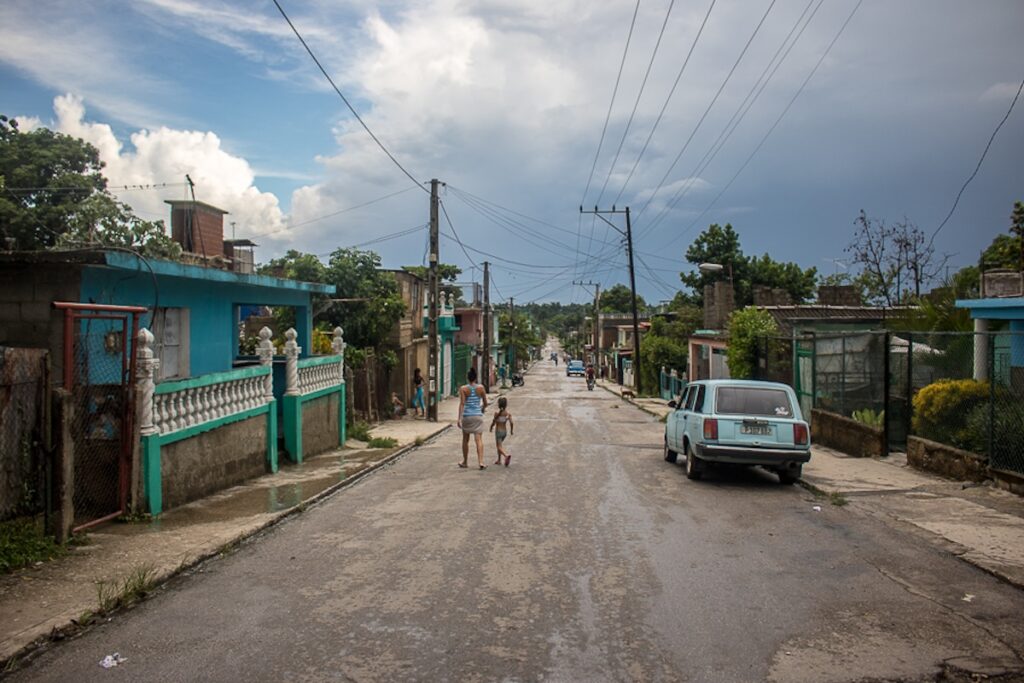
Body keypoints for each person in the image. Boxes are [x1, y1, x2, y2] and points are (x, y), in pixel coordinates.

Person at [457, 367, 489, 469]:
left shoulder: (463, 389)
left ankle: (465, 461)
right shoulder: (481, 388)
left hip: (467, 416)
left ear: (468, 378)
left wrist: (459, 418)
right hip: (477, 416)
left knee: (465, 439)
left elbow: (462, 403)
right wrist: (482, 409)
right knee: (478, 439)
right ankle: (481, 462)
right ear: (475, 378)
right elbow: (485, 403)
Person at [490, 396, 514, 466]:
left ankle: (506, 456)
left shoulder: (496, 414)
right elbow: (511, 423)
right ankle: (499, 460)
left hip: (498, 432)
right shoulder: (508, 414)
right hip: (504, 432)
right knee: (500, 445)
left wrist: (491, 427)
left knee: (498, 446)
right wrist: (511, 431)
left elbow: (493, 422)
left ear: (498, 405)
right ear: (506, 405)